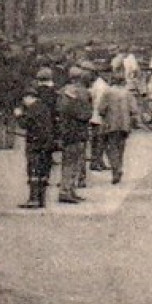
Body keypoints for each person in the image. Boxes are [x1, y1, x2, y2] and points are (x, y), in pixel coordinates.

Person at [13, 68, 61, 209]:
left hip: (35, 143)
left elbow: (24, 124)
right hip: (47, 143)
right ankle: (41, 199)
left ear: (28, 97)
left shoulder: (32, 109)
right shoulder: (44, 107)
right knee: (44, 171)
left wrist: (18, 115)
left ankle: (33, 199)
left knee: (33, 170)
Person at [54, 67, 91, 204]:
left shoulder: (62, 91)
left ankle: (68, 190)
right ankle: (66, 190)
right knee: (74, 162)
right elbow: (87, 113)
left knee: (68, 161)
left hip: (66, 131)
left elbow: (58, 110)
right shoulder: (83, 92)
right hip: (78, 131)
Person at [94, 68, 137, 185]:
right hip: (124, 125)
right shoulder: (128, 93)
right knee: (121, 147)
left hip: (111, 124)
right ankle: (119, 167)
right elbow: (134, 110)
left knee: (111, 147)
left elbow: (101, 109)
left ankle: (115, 169)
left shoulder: (107, 92)